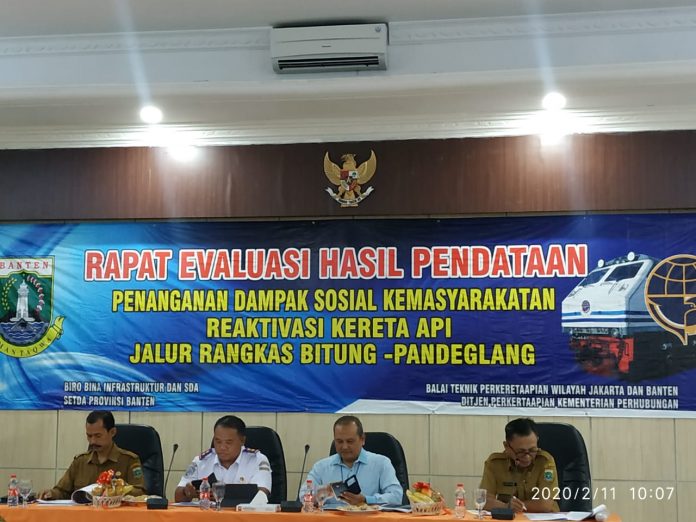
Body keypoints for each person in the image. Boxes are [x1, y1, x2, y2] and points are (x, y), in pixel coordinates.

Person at [38, 410, 146, 499]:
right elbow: (62, 491)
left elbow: (140, 493)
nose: (92, 441)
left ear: (112, 432)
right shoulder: (80, 462)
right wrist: (51, 493)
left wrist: (115, 490)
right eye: (89, 436)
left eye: (98, 436)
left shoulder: (129, 460)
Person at [300, 415, 403, 506]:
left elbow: (396, 497)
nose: (344, 447)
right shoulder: (321, 467)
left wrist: (366, 500)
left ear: (362, 439)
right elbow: (303, 497)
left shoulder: (381, 463)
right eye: (339, 441)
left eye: (350, 441)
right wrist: (323, 491)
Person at [175, 415, 272, 502]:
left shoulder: (257, 460)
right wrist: (186, 492)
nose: (222, 447)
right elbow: (178, 496)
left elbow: (262, 494)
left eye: (228, 442)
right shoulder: (201, 461)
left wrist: (222, 494)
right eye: (218, 441)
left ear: (242, 440)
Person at [479, 417, 559, 513]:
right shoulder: (495, 463)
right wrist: (507, 507)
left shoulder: (545, 462)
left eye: (532, 450)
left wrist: (517, 506)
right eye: (520, 452)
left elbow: (545, 504)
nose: (527, 457)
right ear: (507, 446)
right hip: (509, 518)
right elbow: (484, 501)